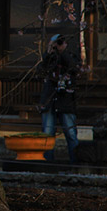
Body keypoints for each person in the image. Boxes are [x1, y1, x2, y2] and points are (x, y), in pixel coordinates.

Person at [39, 33, 80, 164]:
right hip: (50, 100)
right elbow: (41, 70)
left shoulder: (70, 56)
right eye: (57, 43)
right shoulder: (49, 58)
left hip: (66, 100)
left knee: (71, 133)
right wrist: (48, 53)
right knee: (47, 133)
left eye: (61, 42)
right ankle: (48, 163)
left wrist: (63, 53)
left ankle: (75, 163)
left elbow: (73, 68)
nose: (59, 45)